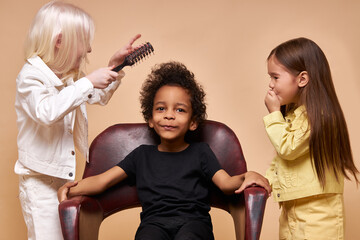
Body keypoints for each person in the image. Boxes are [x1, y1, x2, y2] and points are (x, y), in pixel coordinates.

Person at [58, 61, 271, 240]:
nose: (169, 115)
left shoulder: (201, 152)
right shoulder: (141, 155)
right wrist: (71, 190)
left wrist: (246, 177)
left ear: (193, 122)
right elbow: (102, 181)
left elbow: (226, 184)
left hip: (195, 225)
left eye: (179, 110)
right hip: (154, 224)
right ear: (150, 119)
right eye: (161, 108)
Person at [15, 1, 142, 239]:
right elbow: (47, 111)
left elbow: (97, 95)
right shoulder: (30, 77)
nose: (89, 49)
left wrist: (113, 68)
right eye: (84, 41)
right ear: (60, 41)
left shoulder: (70, 77)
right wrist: (87, 82)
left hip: (64, 177)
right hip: (39, 183)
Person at [264, 37, 359, 240]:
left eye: (275, 77)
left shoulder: (318, 116)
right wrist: (266, 182)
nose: (270, 85)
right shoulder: (294, 116)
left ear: (302, 79)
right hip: (292, 209)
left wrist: (273, 114)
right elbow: (283, 162)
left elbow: (287, 149)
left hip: (318, 215)